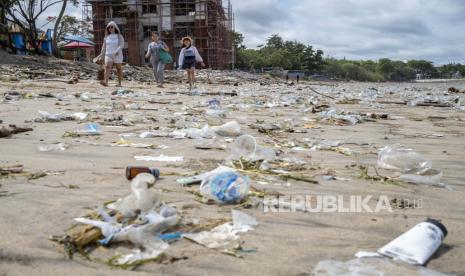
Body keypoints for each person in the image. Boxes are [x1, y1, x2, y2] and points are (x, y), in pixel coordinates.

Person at [94, 21, 124, 87]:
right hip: (108, 54)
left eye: (111, 27)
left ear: (115, 27)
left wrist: (116, 51)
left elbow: (121, 45)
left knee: (118, 68)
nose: (110, 28)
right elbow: (104, 47)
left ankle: (119, 83)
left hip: (117, 54)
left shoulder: (119, 36)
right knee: (107, 67)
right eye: (108, 27)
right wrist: (101, 56)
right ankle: (106, 82)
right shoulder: (106, 37)